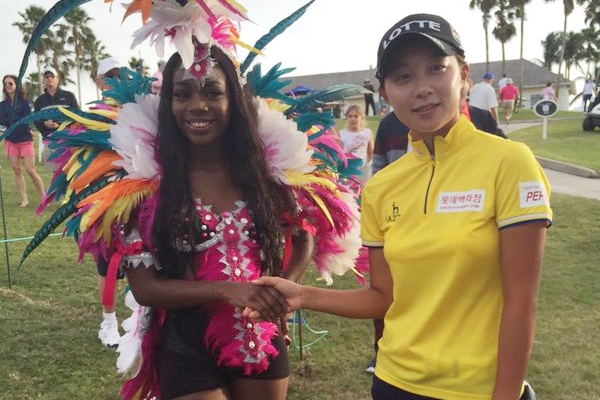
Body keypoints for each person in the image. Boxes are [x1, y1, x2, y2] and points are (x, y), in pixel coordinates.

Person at [248, 13, 552, 400]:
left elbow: (520, 301)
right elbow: (383, 298)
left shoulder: (510, 163)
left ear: (464, 75)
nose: (422, 88)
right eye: (403, 77)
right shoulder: (381, 188)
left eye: (436, 69)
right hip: (394, 384)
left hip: (476, 390)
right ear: (387, 93)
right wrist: (301, 294)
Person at [94, 56, 124, 348]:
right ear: (98, 82)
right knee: (108, 261)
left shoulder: (139, 109)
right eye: (108, 77)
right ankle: (108, 320)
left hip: (141, 194)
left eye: (118, 75)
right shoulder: (92, 116)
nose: (113, 82)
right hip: (105, 199)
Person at [0, 74, 45, 207]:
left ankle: (44, 197)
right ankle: (24, 199)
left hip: (25, 139)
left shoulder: (25, 103)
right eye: (5, 84)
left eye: (11, 83)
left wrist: (11, 122)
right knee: (16, 169)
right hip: (10, 140)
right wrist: (13, 122)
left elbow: (25, 120)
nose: (8, 86)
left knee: (30, 170)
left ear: (17, 85)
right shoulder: (2, 105)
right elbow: (2, 120)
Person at [33, 66, 79, 139]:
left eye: (52, 76)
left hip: (68, 139)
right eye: (46, 77)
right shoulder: (39, 101)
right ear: (43, 80)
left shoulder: (69, 96)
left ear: (57, 79)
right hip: (49, 140)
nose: (49, 79)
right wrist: (45, 124)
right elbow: (36, 120)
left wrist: (61, 124)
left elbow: (77, 116)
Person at [339, 104, 374, 184]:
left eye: (356, 116)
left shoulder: (367, 133)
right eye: (350, 116)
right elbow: (339, 154)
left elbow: (371, 153)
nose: (353, 119)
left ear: (361, 117)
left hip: (363, 170)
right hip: (348, 170)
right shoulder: (342, 134)